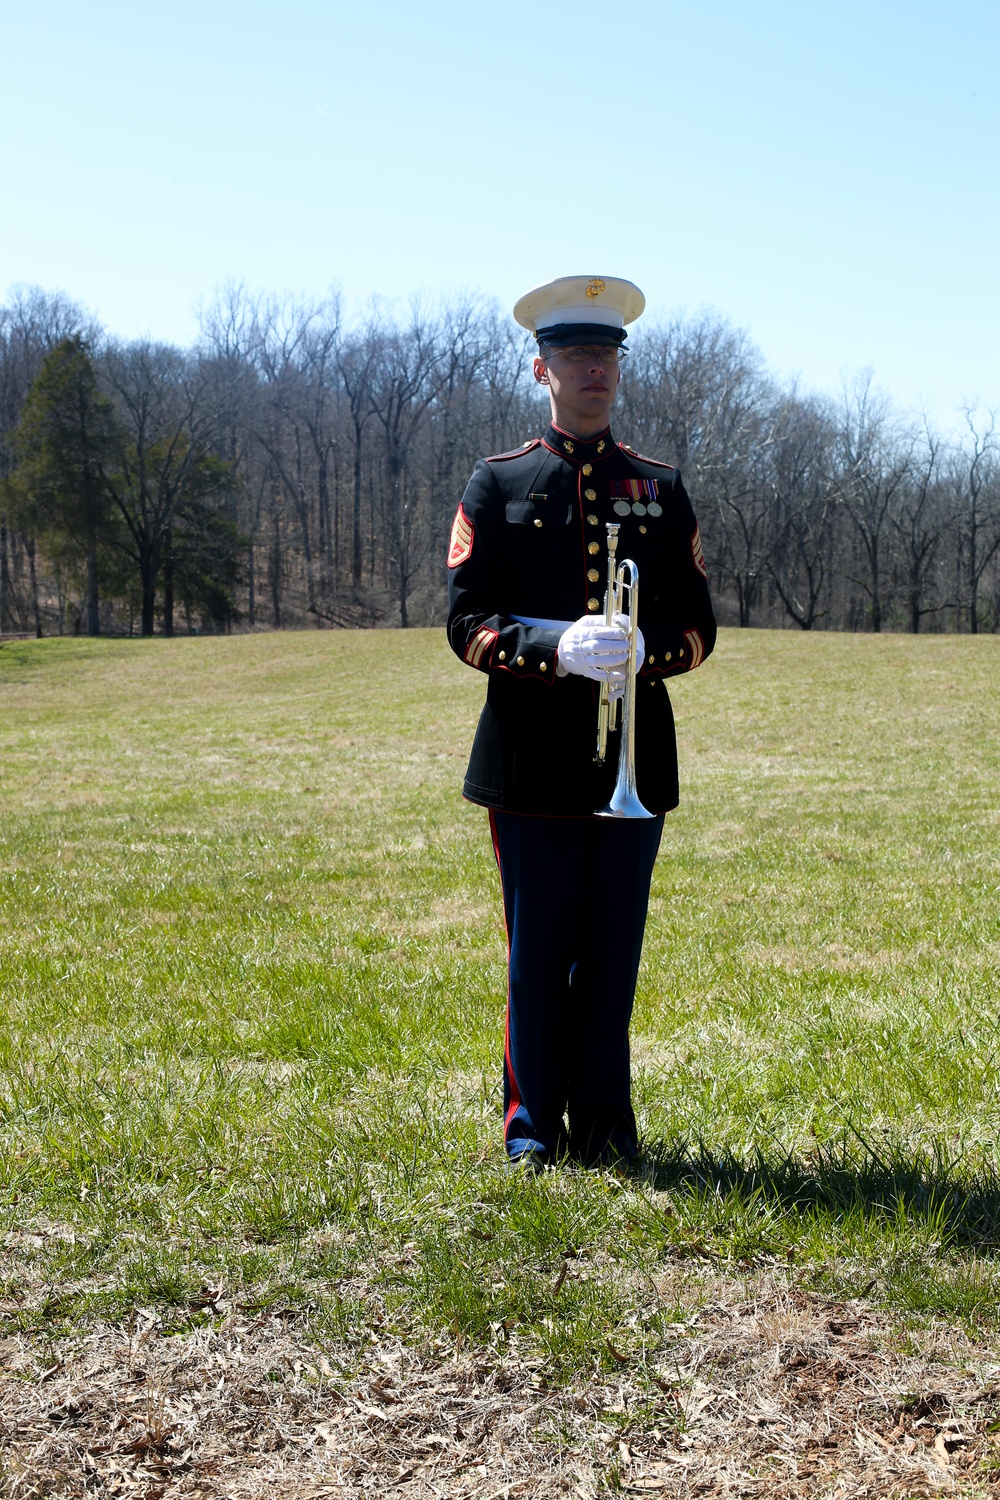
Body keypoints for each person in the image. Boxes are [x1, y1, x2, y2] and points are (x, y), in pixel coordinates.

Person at [446, 275, 716, 1169]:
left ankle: (605, 1127)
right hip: (530, 760)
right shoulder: (498, 482)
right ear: (542, 369)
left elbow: (699, 628)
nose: (592, 371)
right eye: (574, 357)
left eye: (605, 357)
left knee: (610, 959)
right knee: (536, 960)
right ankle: (531, 1128)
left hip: (630, 759)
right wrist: (554, 648)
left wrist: (648, 654)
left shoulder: (661, 488)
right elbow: (466, 622)